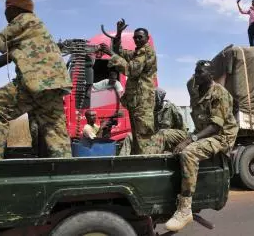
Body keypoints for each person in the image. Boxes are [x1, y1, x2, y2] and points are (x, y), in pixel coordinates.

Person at [0, 0, 73, 159]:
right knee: (56, 132)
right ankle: (68, 171)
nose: (6, 16)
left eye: (7, 11)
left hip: (36, 82)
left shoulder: (24, 19)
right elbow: (3, 58)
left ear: (13, 9)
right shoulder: (33, 30)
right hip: (53, 86)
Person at [150, 60, 239, 232]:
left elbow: (215, 126)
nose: (195, 76)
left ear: (210, 75)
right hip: (201, 132)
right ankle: (152, 170)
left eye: (199, 73)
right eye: (195, 72)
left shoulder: (219, 93)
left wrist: (190, 139)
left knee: (189, 153)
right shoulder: (196, 88)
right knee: (164, 134)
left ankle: (185, 208)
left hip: (220, 136)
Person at [100, 19, 157, 155]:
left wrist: (111, 54)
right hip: (136, 102)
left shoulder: (146, 52)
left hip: (142, 103)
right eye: (135, 37)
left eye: (140, 37)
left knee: (143, 138)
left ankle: (148, 166)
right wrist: (119, 33)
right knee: (137, 138)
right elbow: (119, 52)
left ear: (147, 38)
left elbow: (131, 70)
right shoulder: (137, 52)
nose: (136, 39)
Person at [119, 87, 185, 155]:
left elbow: (183, 130)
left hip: (174, 136)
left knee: (162, 132)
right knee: (130, 136)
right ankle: (121, 162)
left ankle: (151, 160)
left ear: (160, 99)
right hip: (157, 137)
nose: (151, 102)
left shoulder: (172, 108)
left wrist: (182, 144)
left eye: (153, 100)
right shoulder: (150, 111)